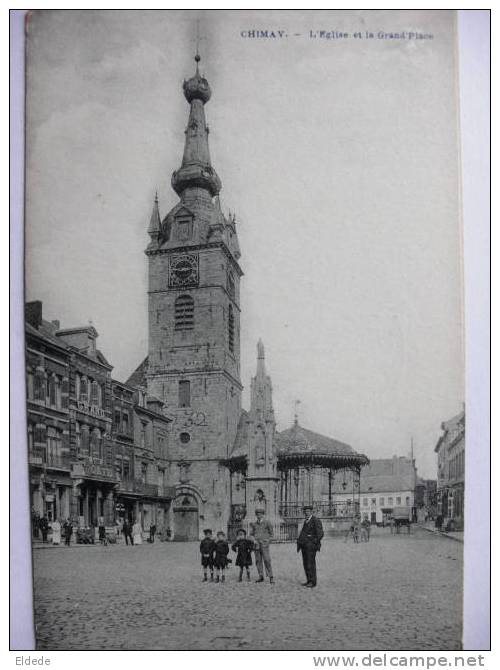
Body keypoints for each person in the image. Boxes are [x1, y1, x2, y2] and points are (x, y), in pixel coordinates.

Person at [297, 504, 324, 588]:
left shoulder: (315, 520)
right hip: (304, 546)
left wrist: (313, 542)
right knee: (305, 563)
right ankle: (308, 580)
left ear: (311, 512)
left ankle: (313, 581)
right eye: (305, 511)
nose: (306, 513)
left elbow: (320, 534)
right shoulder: (306, 521)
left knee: (310, 563)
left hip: (311, 547)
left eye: (308, 511)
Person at [249, 508, 274, 584]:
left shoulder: (267, 523)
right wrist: (253, 540)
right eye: (257, 514)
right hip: (256, 545)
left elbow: (272, 535)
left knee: (267, 560)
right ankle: (261, 576)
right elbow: (251, 534)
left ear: (263, 514)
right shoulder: (254, 524)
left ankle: (271, 576)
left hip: (264, 545)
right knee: (258, 561)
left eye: (260, 514)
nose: (259, 515)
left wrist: (267, 541)